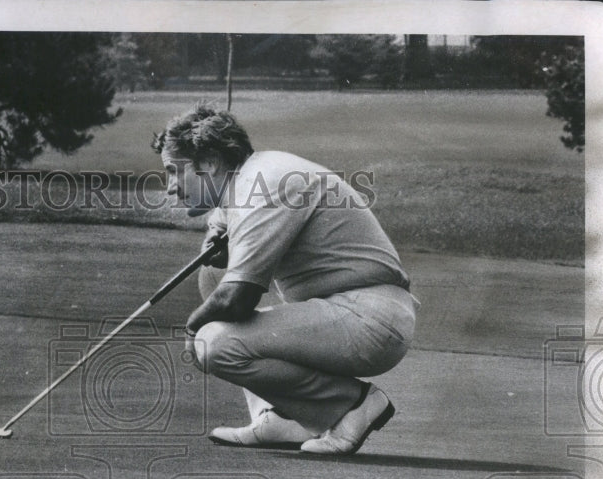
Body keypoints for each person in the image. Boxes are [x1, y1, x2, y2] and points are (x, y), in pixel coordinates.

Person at [152, 105, 417, 454]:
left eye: (174, 172)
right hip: (343, 312)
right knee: (213, 274)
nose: (171, 188)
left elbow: (238, 299)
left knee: (211, 342)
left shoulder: (261, 185)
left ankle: (353, 404)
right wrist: (219, 237)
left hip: (372, 318)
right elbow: (221, 263)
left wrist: (191, 330)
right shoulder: (242, 185)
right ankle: (280, 417)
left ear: (211, 161)